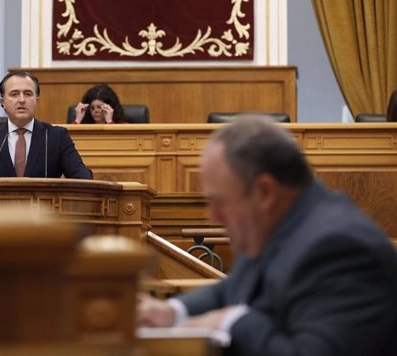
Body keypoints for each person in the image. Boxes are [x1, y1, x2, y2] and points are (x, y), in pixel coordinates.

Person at [136, 116, 397, 356]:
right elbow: (232, 289)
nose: (212, 216)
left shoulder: (342, 248)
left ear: (264, 193)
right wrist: (171, 312)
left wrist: (231, 321)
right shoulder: (279, 224)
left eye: (219, 201)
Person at [0, 71, 93, 179]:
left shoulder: (56, 137)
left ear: (36, 100)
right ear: (2, 102)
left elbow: (82, 178)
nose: (21, 100)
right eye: (14, 94)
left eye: (28, 94)